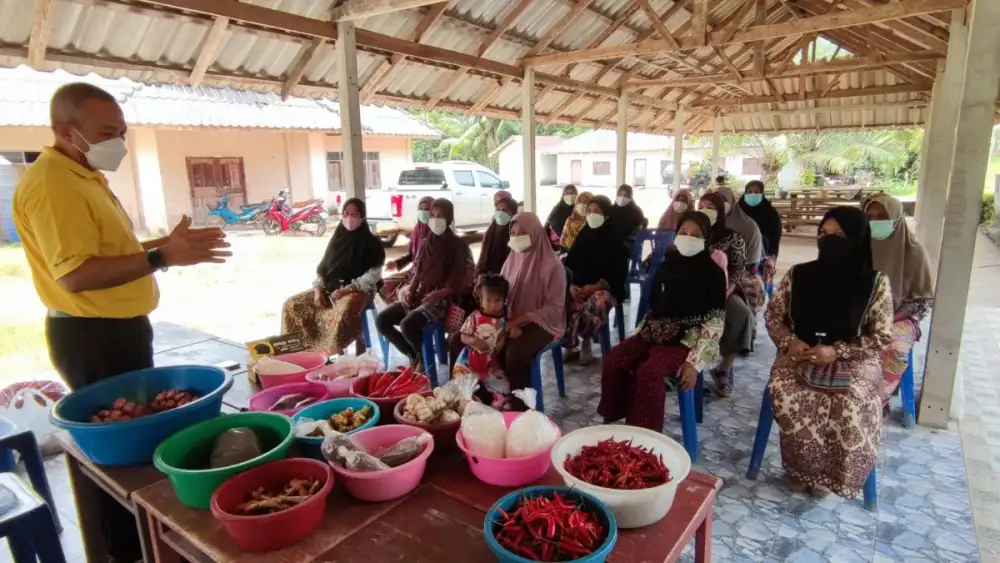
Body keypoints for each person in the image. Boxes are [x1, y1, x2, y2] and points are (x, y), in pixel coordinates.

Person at [12, 82, 231, 563]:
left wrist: (163, 249)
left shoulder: (82, 175)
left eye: (122, 132)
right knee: (119, 452)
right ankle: (126, 550)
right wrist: (160, 257)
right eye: (107, 133)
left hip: (118, 328)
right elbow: (75, 275)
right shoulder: (53, 185)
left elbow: (108, 252)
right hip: (92, 335)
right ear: (66, 131)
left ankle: (138, 540)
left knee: (138, 437)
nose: (120, 143)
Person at [766, 206, 893, 498]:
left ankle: (828, 475)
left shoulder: (875, 283)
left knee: (849, 402)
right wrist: (789, 341)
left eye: (838, 235)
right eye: (823, 233)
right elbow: (773, 316)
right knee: (788, 394)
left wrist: (838, 351)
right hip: (801, 352)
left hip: (853, 358)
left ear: (857, 239)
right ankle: (799, 469)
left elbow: (882, 335)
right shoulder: (799, 274)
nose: (828, 240)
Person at [598, 211, 726, 430]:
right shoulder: (668, 266)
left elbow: (715, 324)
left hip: (688, 339)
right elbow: (652, 310)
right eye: (683, 232)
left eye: (696, 235)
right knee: (614, 360)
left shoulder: (713, 274)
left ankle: (646, 433)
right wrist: (637, 335)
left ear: (706, 240)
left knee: (649, 371)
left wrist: (694, 363)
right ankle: (616, 418)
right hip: (655, 332)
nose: (688, 238)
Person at [375, 199, 473, 369]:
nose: (435, 220)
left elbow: (466, 278)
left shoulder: (459, 245)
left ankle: (423, 362)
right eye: (432, 215)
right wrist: (411, 291)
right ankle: (415, 356)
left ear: (449, 218)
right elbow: (419, 271)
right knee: (382, 320)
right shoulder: (426, 243)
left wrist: (440, 293)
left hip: (444, 301)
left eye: (440, 216)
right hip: (421, 295)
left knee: (408, 325)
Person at [281, 199, 385, 355]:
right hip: (330, 289)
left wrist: (346, 290)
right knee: (292, 305)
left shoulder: (371, 243)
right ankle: (301, 353)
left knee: (344, 308)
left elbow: (373, 276)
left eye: (354, 214)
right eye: (346, 214)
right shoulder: (337, 240)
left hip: (357, 291)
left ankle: (339, 354)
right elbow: (322, 270)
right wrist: (318, 290)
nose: (349, 218)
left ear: (362, 217)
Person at [864, 193, 934, 402]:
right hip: (858, 313)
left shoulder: (914, 251)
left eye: (882, 216)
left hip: (899, 317)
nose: (874, 221)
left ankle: (876, 401)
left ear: (896, 218)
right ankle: (848, 394)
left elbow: (921, 300)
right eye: (869, 217)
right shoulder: (856, 247)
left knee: (894, 349)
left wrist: (887, 318)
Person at [499, 212, 567, 410]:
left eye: (522, 233)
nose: (516, 238)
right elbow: (503, 294)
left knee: (515, 352)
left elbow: (554, 308)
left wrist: (521, 319)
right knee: (482, 340)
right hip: (512, 318)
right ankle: (493, 400)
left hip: (544, 322)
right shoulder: (512, 260)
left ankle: (521, 409)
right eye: (513, 233)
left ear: (535, 233)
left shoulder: (553, 266)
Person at [563, 195, 629, 364]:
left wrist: (595, 287)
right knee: (562, 298)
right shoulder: (583, 235)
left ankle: (586, 343)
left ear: (606, 214)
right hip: (580, 286)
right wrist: (572, 286)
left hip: (607, 288)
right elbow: (570, 265)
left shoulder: (616, 240)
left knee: (598, 301)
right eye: (589, 211)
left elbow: (617, 274)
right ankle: (569, 344)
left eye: (597, 211)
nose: (592, 215)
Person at [698, 192, 752, 397]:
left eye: (710, 207)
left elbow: (738, 271)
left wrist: (725, 294)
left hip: (724, 290)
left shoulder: (732, 237)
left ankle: (723, 369)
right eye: (701, 206)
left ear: (720, 211)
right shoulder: (692, 232)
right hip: (692, 288)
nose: (705, 210)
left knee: (741, 314)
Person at [454, 274, 510, 407]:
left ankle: (487, 397)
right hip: (469, 362)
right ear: (481, 300)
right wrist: (474, 341)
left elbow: (508, 330)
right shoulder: (475, 317)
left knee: (505, 387)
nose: (493, 305)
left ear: (504, 300)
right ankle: (479, 397)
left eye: (497, 300)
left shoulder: (505, 319)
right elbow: (463, 336)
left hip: (490, 364)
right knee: (462, 383)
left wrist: (514, 328)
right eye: (488, 300)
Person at [715, 185, 765, 313]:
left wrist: (731, 281)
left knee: (743, 306)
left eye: (724, 199)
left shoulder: (748, 226)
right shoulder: (709, 223)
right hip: (715, 272)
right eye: (717, 199)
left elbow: (752, 263)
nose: (720, 203)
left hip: (743, 271)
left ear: (731, 202)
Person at [739, 180, 782, 293]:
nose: (753, 194)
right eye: (749, 191)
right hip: (742, 253)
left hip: (764, 253)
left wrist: (772, 256)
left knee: (763, 280)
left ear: (762, 194)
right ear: (745, 193)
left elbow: (775, 237)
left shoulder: (770, 212)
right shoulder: (738, 210)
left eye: (756, 192)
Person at [386, 195, 433, 273]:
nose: (423, 212)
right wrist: (396, 263)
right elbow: (413, 255)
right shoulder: (417, 231)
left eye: (427, 209)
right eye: (421, 209)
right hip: (416, 271)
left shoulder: (436, 232)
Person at [476, 196, 518, 277]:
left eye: (504, 210)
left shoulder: (516, 232)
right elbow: (483, 257)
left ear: (513, 213)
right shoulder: (491, 231)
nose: (500, 213)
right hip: (489, 275)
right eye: (498, 210)